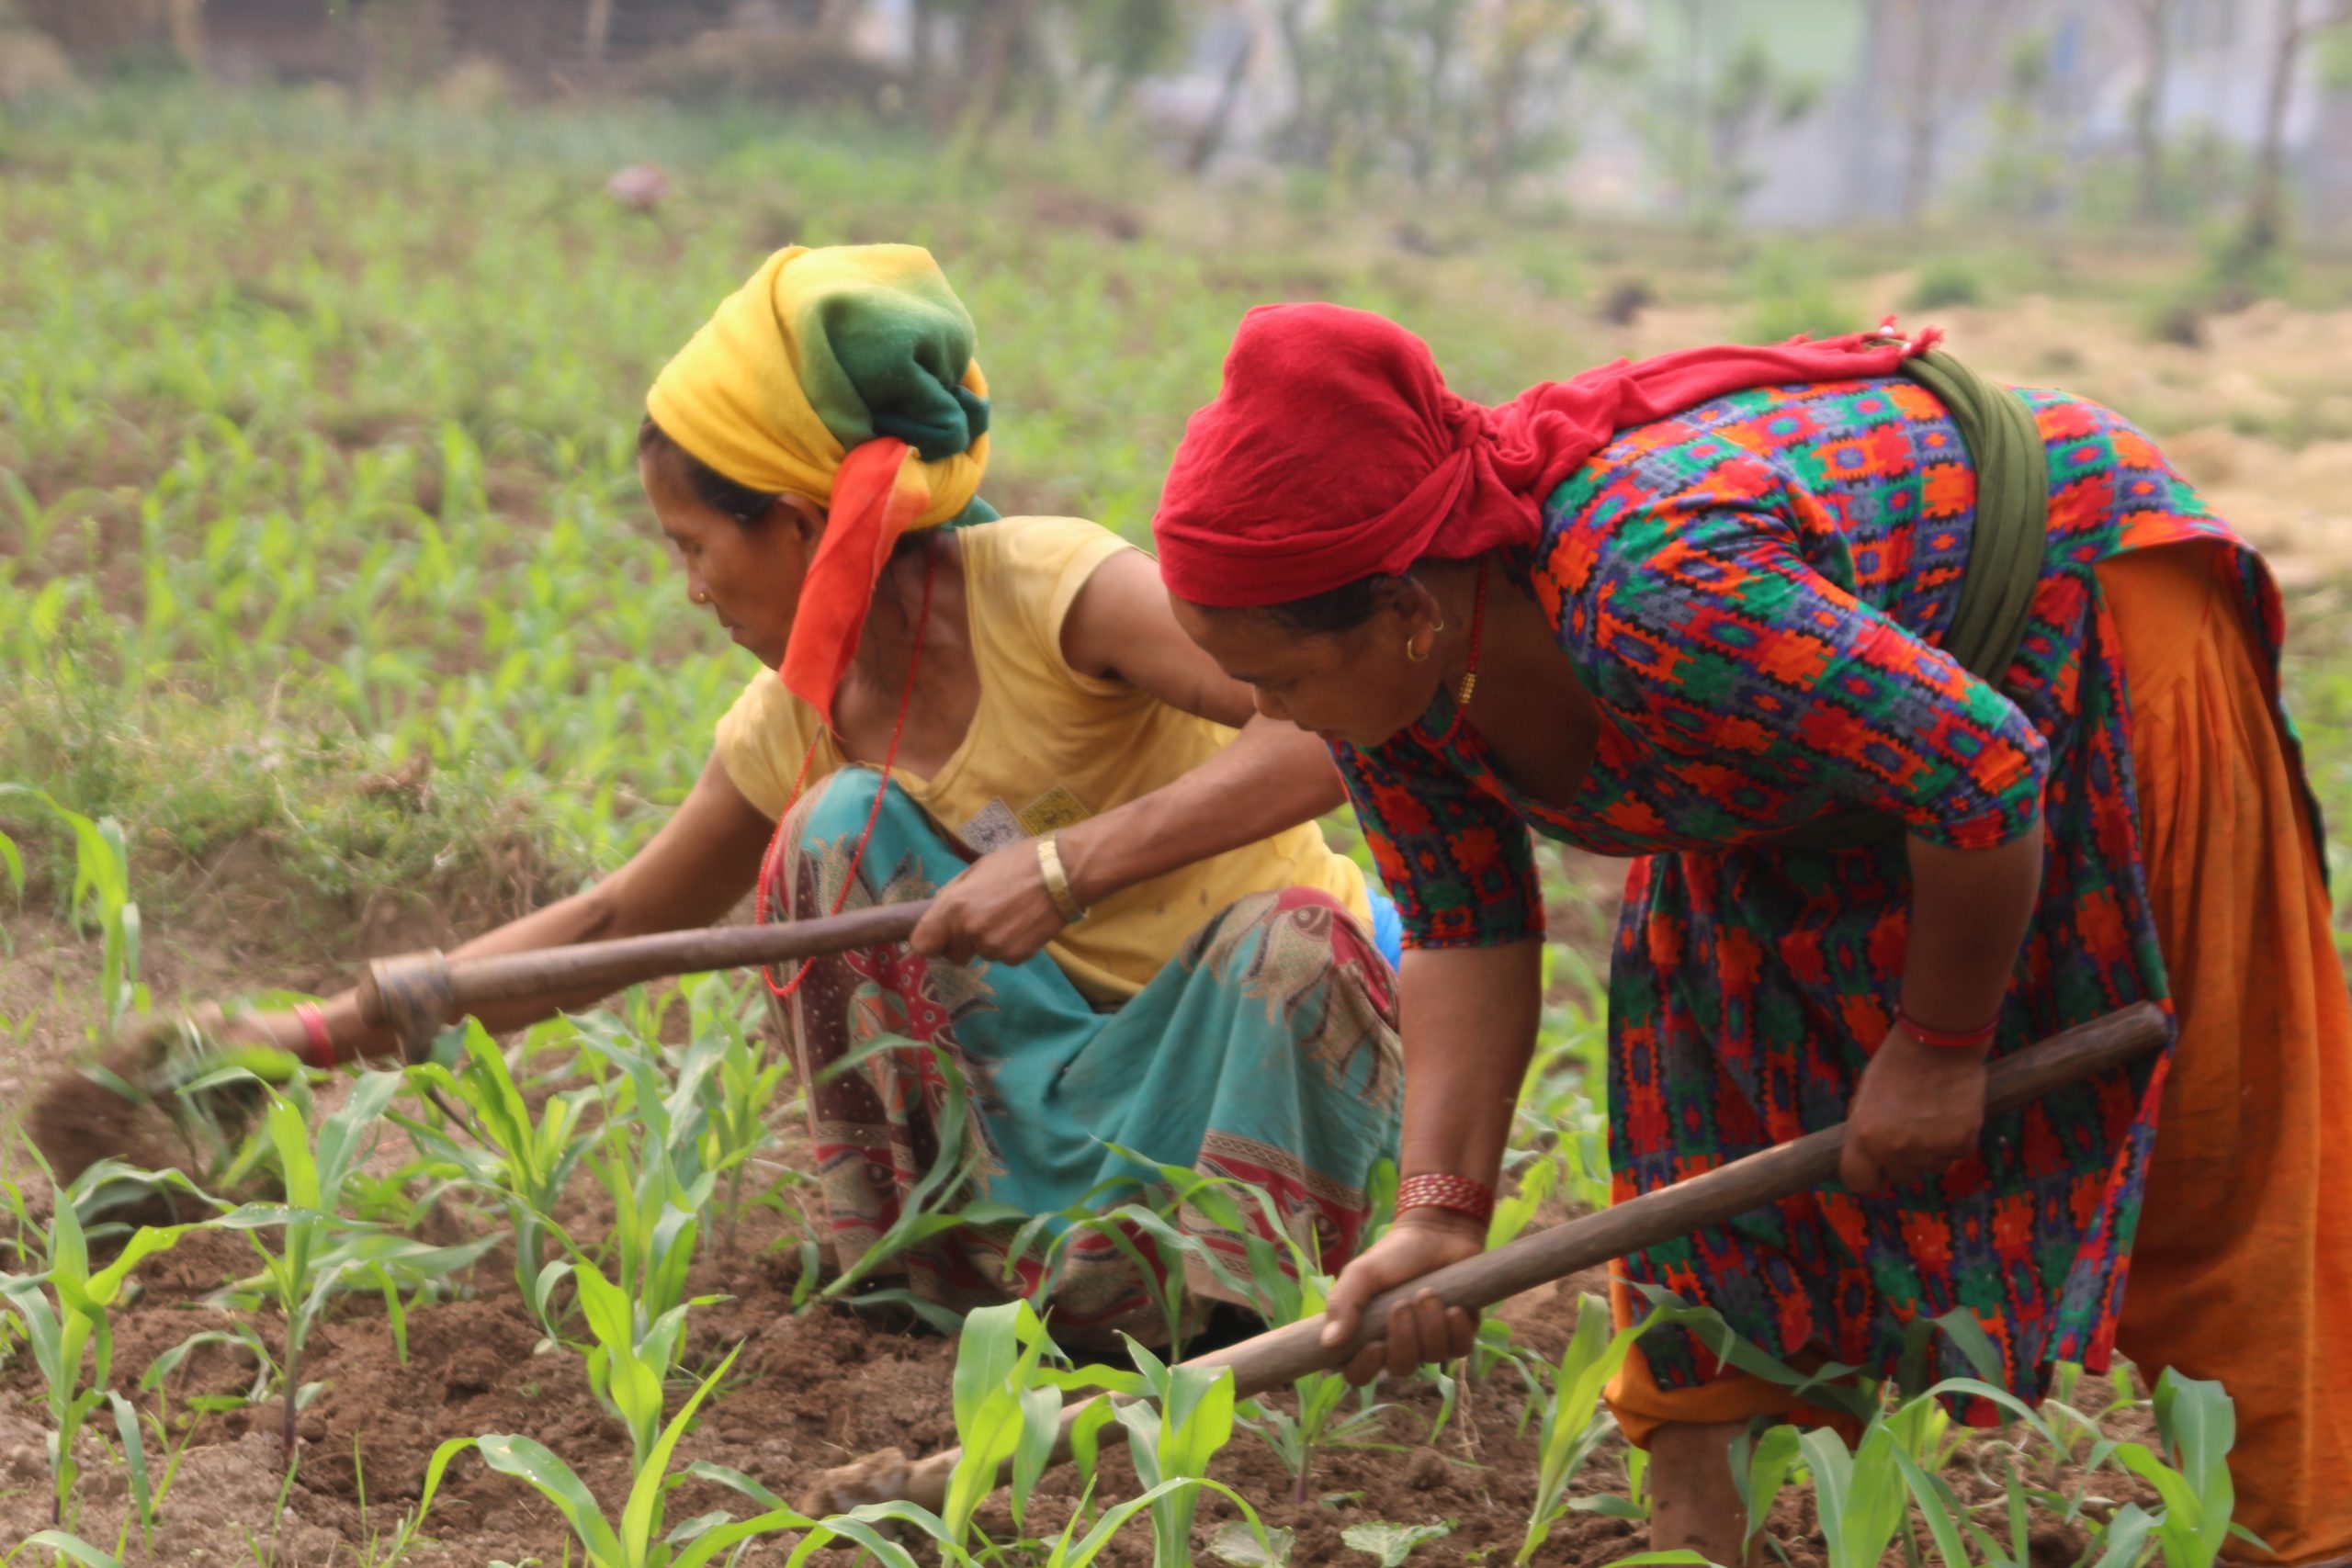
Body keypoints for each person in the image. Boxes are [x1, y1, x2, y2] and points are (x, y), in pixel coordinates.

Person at [1147, 301, 2352, 1565]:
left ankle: (2292, 1522)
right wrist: (1439, 1216)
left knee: (2213, 1108)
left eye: (1277, 680)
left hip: (2072, 601)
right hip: (1809, 721)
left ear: (1405, 610)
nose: (1268, 714)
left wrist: (1939, 1043)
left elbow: (1985, 775)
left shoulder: (1653, 591)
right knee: (1707, 1074)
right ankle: (1692, 1532)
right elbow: (1460, 924)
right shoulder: (1401, 693)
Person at [40, 248, 1405, 1343]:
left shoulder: (1062, 594)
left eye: (697, 546)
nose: (691, 589)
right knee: (832, 834)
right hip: (1026, 1088)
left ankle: (1214, 1318)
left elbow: (1346, 727)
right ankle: (950, 1278)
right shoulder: (793, 727)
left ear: (804, 522)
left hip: (1221, 1063)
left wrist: (1064, 869)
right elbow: (625, 918)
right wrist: (313, 1035)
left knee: (1297, 943)